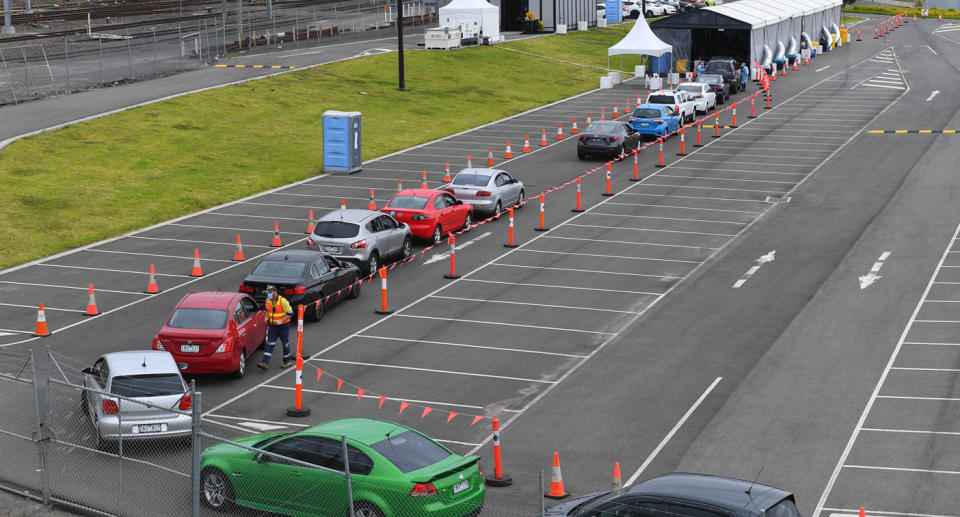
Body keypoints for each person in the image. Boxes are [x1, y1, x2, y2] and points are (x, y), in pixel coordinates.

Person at [257, 285, 294, 370]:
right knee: (270, 343)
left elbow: (290, 313)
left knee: (285, 344)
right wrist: (267, 317)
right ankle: (265, 362)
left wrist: (281, 321)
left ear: (275, 292)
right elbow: (267, 311)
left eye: (270, 293)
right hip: (272, 326)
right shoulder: (267, 300)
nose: (268, 295)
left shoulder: (283, 301)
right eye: (268, 293)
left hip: (283, 326)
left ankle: (287, 362)